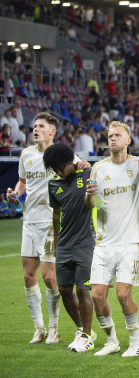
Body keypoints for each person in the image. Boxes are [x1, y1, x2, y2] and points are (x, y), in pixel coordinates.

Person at [88, 122, 139, 357]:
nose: (112, 139)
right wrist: (89, 198)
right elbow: (92, 203)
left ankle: (135, 343)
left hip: (130, 241)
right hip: (104, 241)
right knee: (96, 295)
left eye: (117, 135)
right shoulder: (98, 169)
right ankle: (111, 340)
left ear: (128, 140)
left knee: (123, 294)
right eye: (110, 135)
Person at [9, 112, 62, 344]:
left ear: (52, 132)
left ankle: (54, 328)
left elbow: (77, 174)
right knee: (28, 276)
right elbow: (22, 182)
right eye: (34, 126)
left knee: (49, 278)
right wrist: (15, 194)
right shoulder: (26, 155)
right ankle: (39, 328)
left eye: (41, 126)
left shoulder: (61, 155)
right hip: (29, 222)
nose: (35, 129)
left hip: (51, 224)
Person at [45, 143, 95, 353]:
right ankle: (83, 330)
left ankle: (87, 337)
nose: (58, 172)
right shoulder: (53, 183)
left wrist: (88, 166)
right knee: (64, 290)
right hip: (64, 245)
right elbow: (56, 215)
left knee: (83, 290)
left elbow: (96, 203)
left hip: (85, 242)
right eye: (54, 169)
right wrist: (56, 244)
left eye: (61, 167)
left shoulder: (87, 172)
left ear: (70, 162)